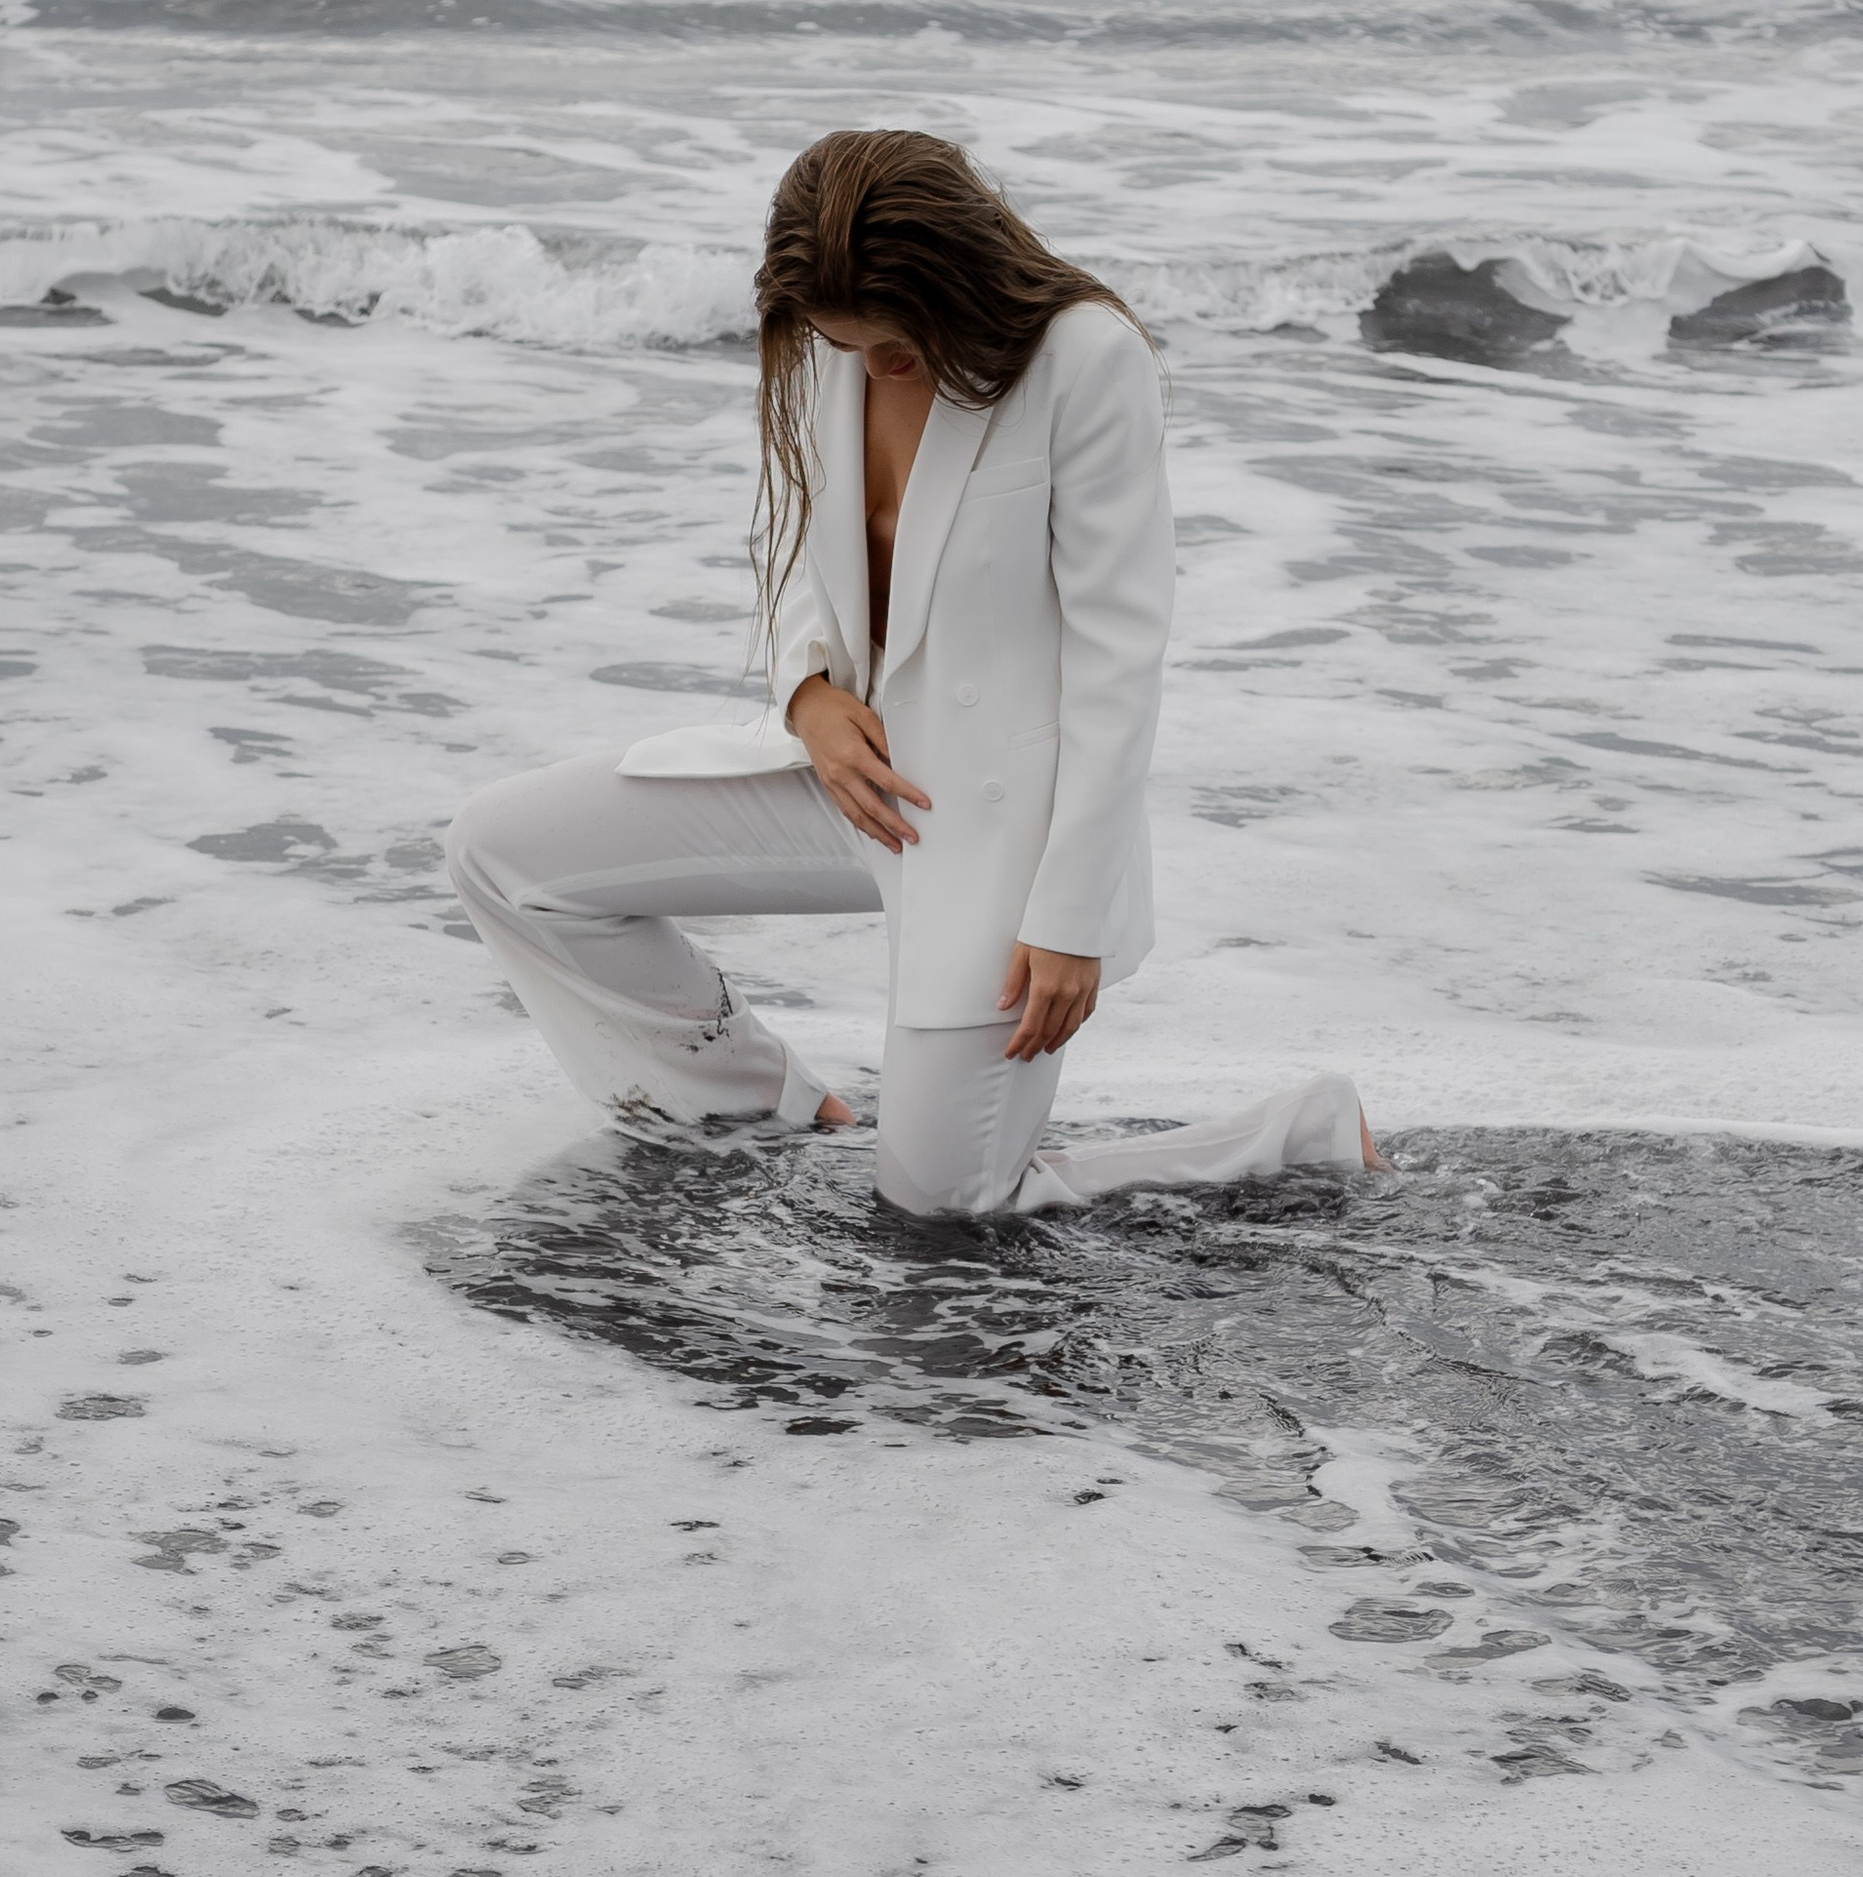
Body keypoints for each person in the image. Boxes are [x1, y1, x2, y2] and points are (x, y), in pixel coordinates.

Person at [444, 128, 1376, 1217]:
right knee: (502, 852)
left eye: (895, 346)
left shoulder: (1085, 357)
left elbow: (1119, 659)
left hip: (996, 827)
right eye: (847, 343)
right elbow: (792, 545)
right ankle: (755, 1110)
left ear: (957, 282)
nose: (874, 366)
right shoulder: (829, 347)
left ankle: (1301, 1136)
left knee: (942, 1204)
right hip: (849, 777)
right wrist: (807, 696)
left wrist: (1070, 916)